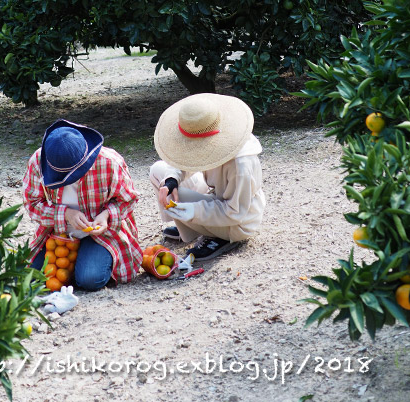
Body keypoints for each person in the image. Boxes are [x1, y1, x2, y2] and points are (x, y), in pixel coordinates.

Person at [23, 119, 142, 290]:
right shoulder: (39, 161)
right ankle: (77, 262)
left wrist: (106, 215)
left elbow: (128, 199)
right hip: (57, 233)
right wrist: (65, 214)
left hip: (101, 234)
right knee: (32, 280)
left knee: (90, 280)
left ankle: (83, 261)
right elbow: (32, 204)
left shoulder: (109, 162)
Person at [149, 93, 265, 262]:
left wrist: (194, 211)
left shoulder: (241, 164)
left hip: (237, 222)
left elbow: (235, 212)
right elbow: (184, 161)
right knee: (159, 171)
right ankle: (190, 230)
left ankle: (220, 236)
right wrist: (172, 179)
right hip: (215, 197)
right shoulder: (208, 133)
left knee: (180, 199)